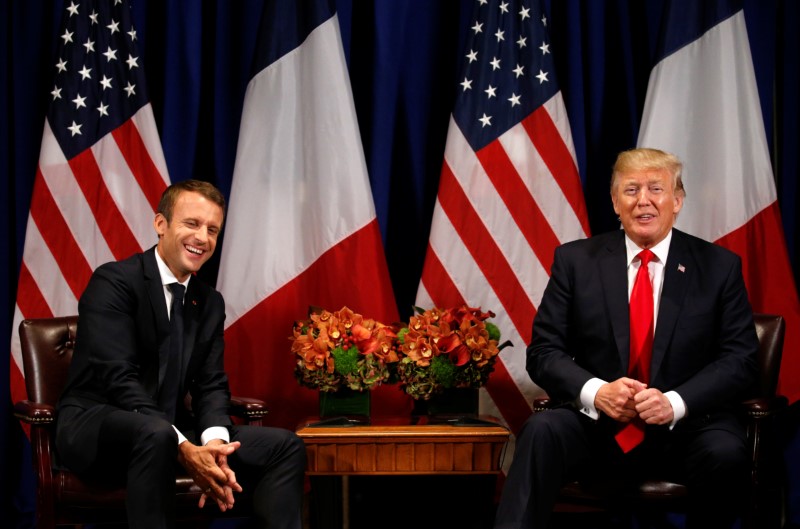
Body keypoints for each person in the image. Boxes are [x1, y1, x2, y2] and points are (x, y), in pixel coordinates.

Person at [493, 148, 758, 528]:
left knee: (727, 451)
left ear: (677, 201)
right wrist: (596, 391)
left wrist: (674, 402)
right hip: (597, 427)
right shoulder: (575, 261)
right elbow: (543, 352)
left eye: (656, 188)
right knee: (541, 430)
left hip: (686, 429)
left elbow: (740, 359)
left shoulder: (718, 266)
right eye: (631, 190)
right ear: (616, 202)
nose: (643, 200)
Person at [55, 180, 306, 529]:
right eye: (192, 224)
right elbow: (118, 380)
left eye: (212, 230)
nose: (202, 237)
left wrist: (214, 445)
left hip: (167, 430)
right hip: (97, 427)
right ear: (161, 224)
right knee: (156, 433)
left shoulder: (209, 302)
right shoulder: (114, 282)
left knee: (285, 446)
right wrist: (184, 445)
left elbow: (211, 384)